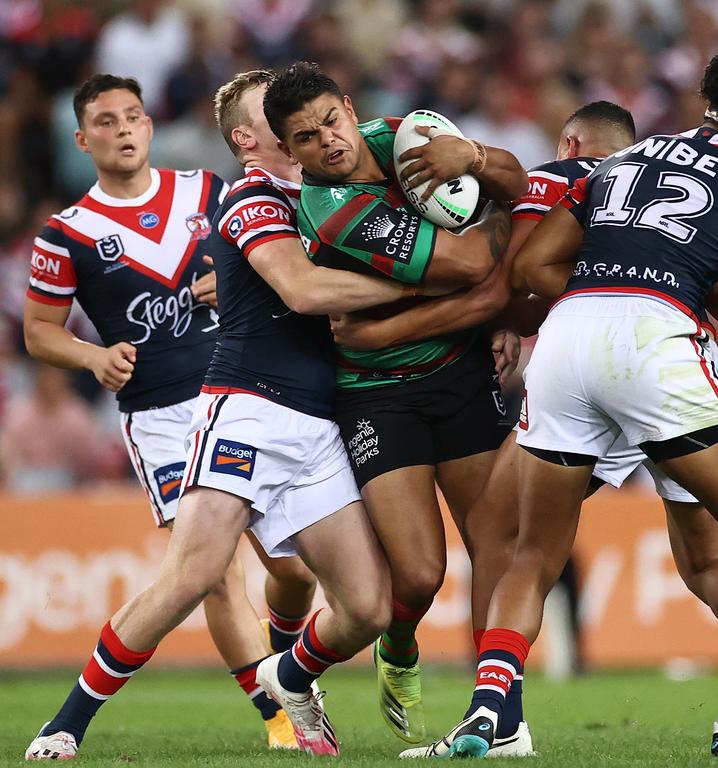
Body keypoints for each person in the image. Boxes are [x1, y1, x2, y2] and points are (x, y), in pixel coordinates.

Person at [23, 67, 457, 761]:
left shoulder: (325, 192)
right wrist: (430, 276)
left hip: (319, 422)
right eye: (278, 116)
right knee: (196, 575)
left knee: (368, 608)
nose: (298, 124)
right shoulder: (253, 195)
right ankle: (68, 721)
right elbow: (306, 289)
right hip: (247, 408)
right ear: (248, 139)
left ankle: (286, 679)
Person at [337, 101, 718, 757]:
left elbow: (510, 284)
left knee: (501, 530)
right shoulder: (665, 179)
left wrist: (407, 329)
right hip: (680, 362)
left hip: (586, 363)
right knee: (712, 561)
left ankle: (498, 716)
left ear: (570, 140)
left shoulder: (557, 179)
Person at [426, 50, 718, 759]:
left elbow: (531, 267)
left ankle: (492, 713)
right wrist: (703, 291)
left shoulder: (621, 162)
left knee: (532, 551)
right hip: (658, 344)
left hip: (568, 343)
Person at [21, 72, 318, 751]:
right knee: (210, 576)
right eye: (105, 121)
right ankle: (279, 721)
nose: (122, 129)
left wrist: (234, 280)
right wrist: (93, 359)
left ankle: (289, 673)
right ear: (82, 138)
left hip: (242, 395)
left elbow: (267, 257)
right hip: (158, 414)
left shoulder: (208, 193)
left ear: (150, 126)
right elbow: (39, 332)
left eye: (133, 116)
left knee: (294, 573)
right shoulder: (66, 233)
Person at [262, 61, 527, 744]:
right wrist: (499, 272)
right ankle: (397, 644)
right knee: (417, 574)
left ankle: (493, 717)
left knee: (495, 543)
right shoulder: (332, 211)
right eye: (306, 137)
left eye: (330, 120)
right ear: (288, 153)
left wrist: (475, 158)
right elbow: (474, 265)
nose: (327, 140)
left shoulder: (404, 137)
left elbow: (516, 188)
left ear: (349, 108)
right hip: (379, 396)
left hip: (459, 372)